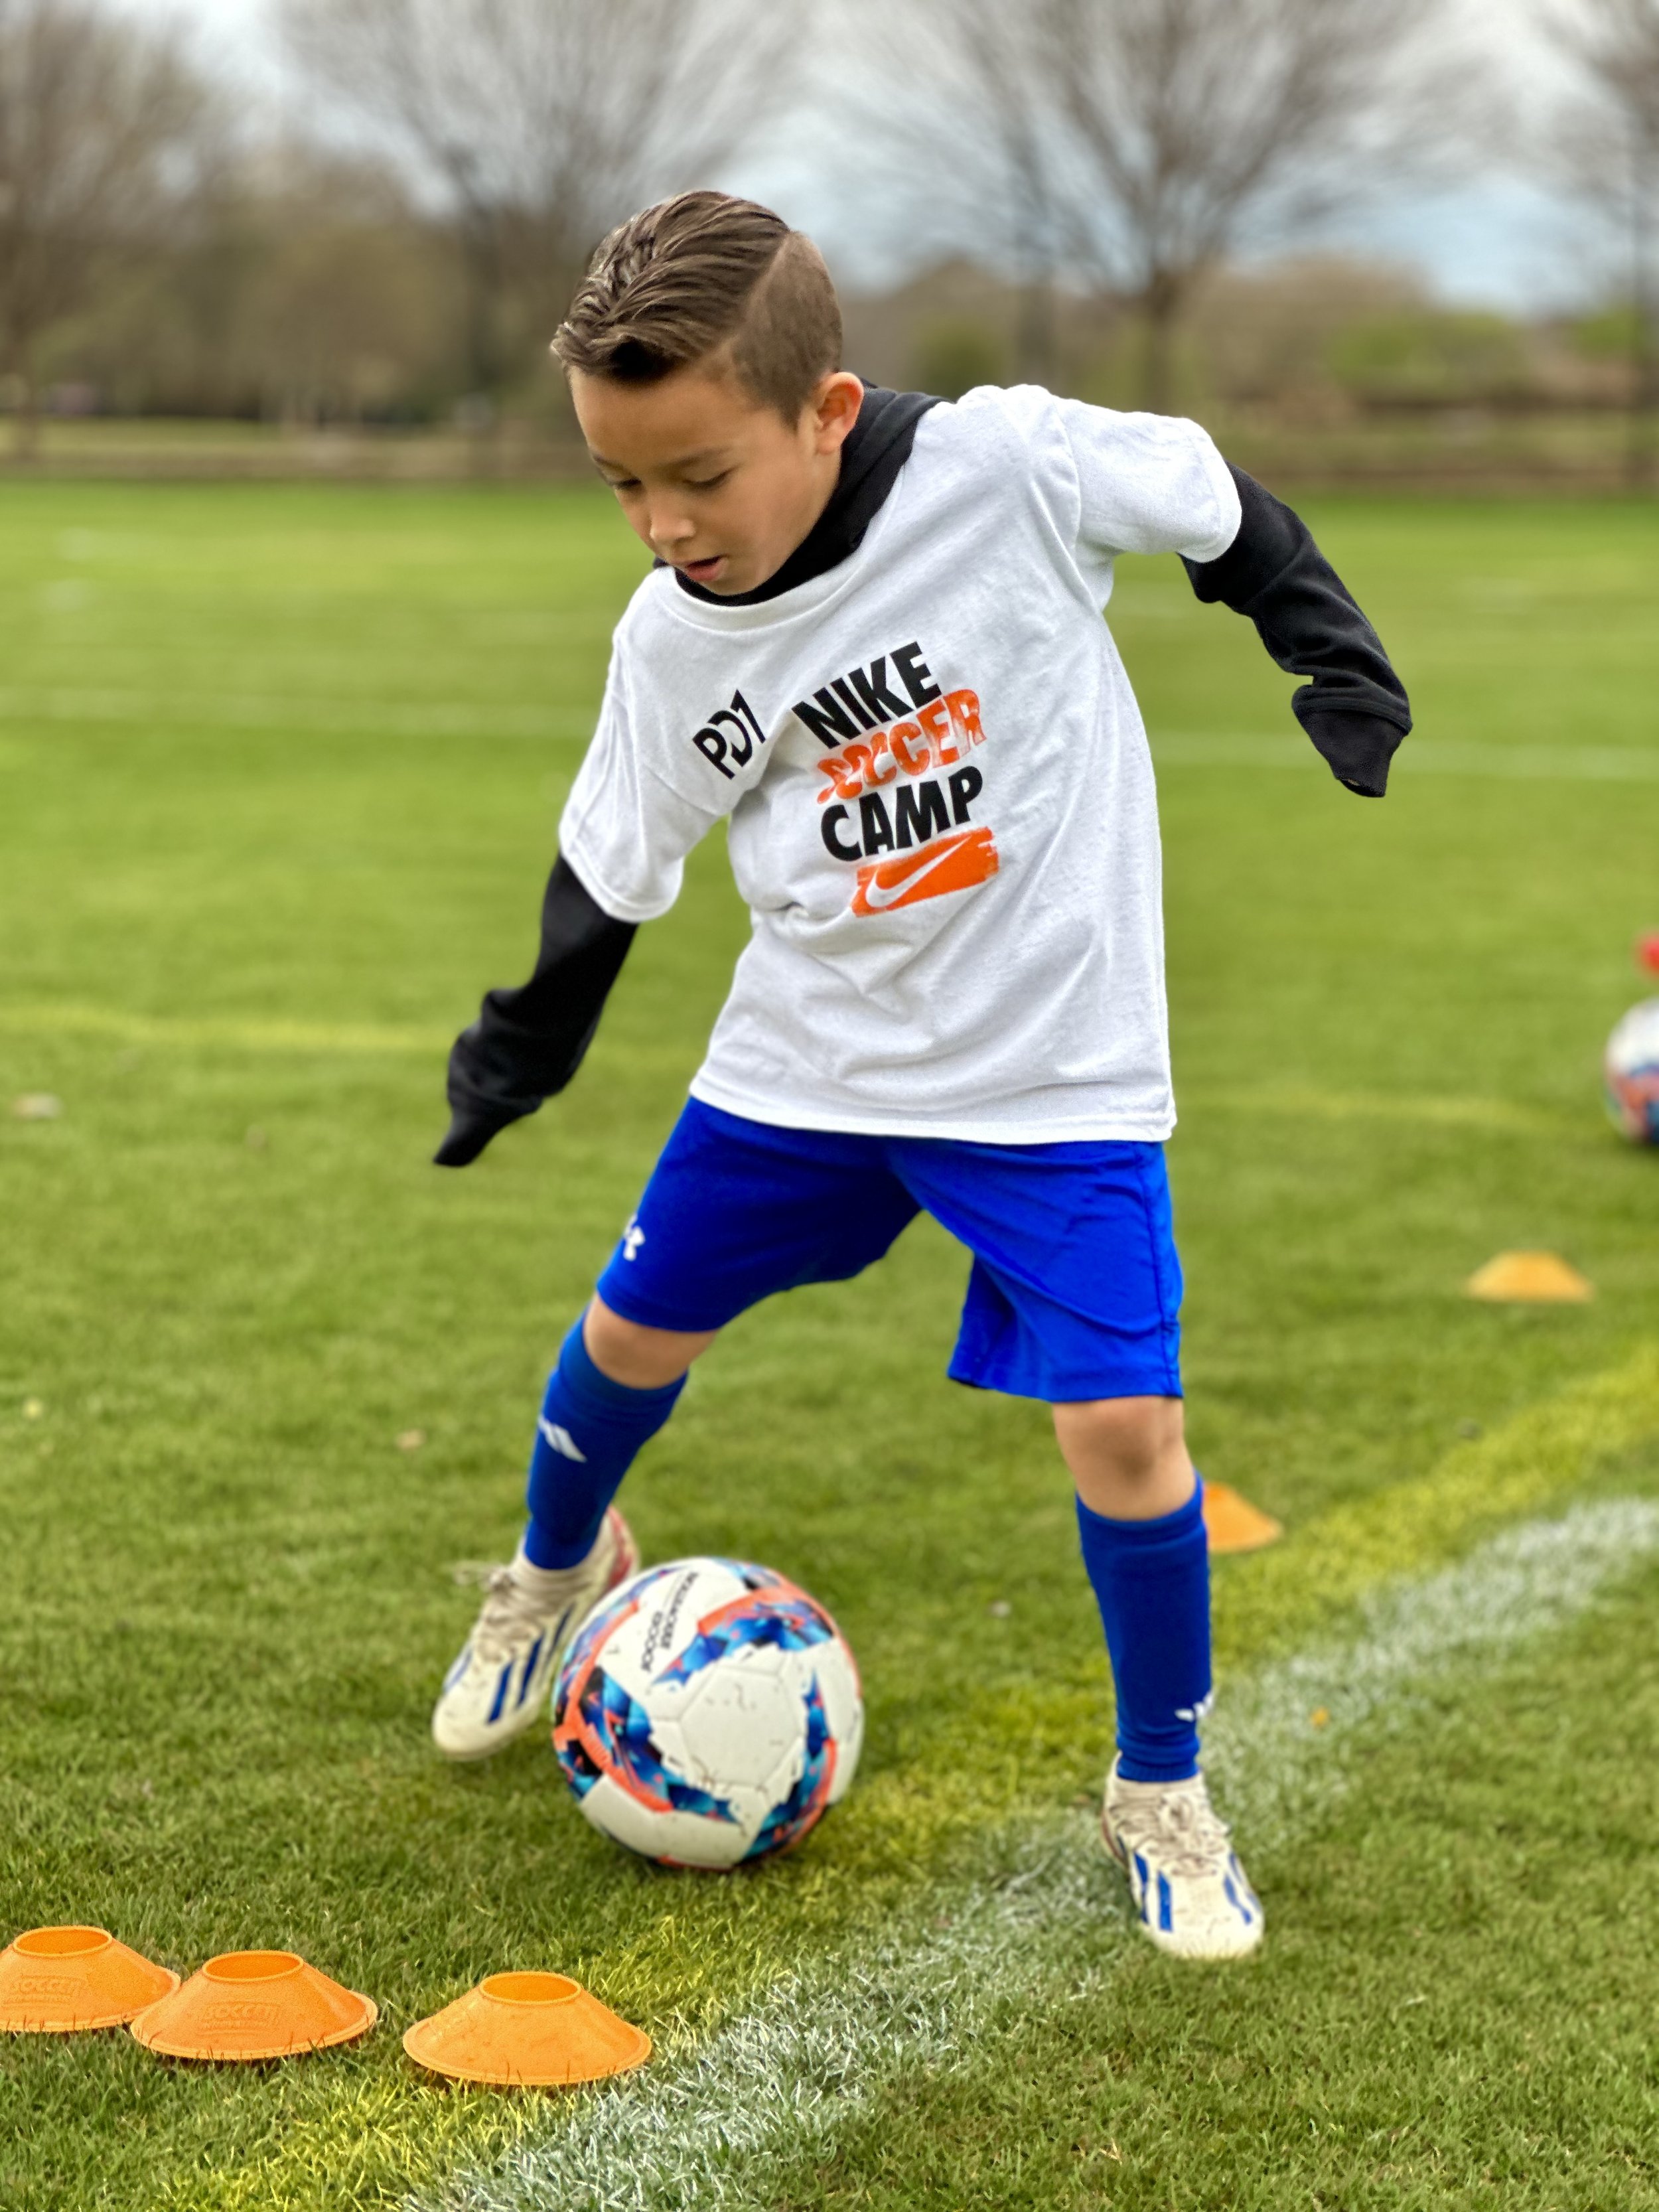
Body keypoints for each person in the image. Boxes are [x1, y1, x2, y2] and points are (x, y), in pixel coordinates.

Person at [428, 190, 1410, 1960]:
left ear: (824, 411)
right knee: (634, 1332)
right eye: (620, 486)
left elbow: (1216, 506)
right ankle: (551, 1573)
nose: (659, 527)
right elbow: (611, 865)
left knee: (1124, 1424)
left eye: (696, 476)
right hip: (807, 1062)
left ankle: (1159, 1790)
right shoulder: (671, 642)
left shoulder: (1011, 469)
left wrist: (1325, 652)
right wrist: (523, 1043)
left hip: (1054, 1072)